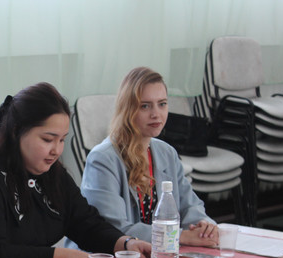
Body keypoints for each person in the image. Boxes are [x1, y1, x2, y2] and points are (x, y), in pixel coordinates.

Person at [0, 82, 151, 258]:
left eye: (62, 139)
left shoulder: (51, 172)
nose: (56, 150)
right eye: (47, 140)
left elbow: (85, 222)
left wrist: (125, 243)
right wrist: (61, 257)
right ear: (16, 132)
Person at [81, 67, 218, 245]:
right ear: (128, 109)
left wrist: (204, 225)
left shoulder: (167, 152)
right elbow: (113, 229)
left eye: (162, 104)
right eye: (145, 106)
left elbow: (190, 205)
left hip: (157, 252)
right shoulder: (102, 159)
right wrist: (179, 237)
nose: (156, 114)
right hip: (114, 256)